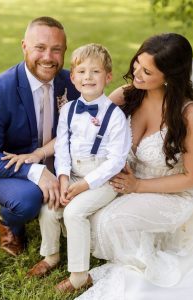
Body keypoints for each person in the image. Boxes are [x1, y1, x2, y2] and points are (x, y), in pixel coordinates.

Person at [76, 33, 193, 300]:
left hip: (170, 193)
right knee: (85, 214)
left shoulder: (189, 114)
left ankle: (123, 268)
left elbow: (191, 178)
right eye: (138, 63)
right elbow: (83, 126)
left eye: (147, 71)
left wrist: (138, 186)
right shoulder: (127, 96)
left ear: (169, 76)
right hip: (124, 185)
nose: (136, 72)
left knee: (109, 222)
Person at [0, 16, 80, 257]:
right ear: (24, 46)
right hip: (0, 169)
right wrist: (35, 171)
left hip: (53, 161)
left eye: (56, 49)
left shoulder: (73, 83)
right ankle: (9, 222)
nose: (48, 57)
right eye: (40, 47)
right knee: (29, 198)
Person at [26, 43, 132, 291]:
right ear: (73, 78)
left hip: (103, 179)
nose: (88, 77)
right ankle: (51, 255)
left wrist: (85, 185)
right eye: (82, 72)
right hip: (73, 173)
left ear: (108, 77)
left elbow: (116, 160)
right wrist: (63, 178)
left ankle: (78, 276)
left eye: (95, 72)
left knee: (74, 212)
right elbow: (62, 147)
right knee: (50, 205)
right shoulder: (69, 110)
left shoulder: (115, 116)